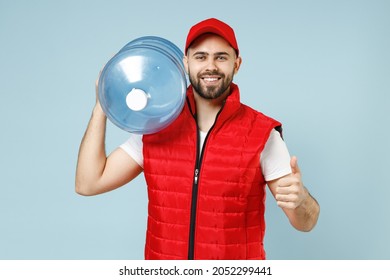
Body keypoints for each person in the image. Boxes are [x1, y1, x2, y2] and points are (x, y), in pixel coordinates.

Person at [75, 18, 320, 260]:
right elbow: (88, 183)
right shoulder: (158, 125)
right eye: (200, 57)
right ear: (186, 63)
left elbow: (305, 223)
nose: (210, 66)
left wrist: (301, 200)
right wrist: (101, 104)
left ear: (237, 64)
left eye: (221, 57)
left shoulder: (262, 133)